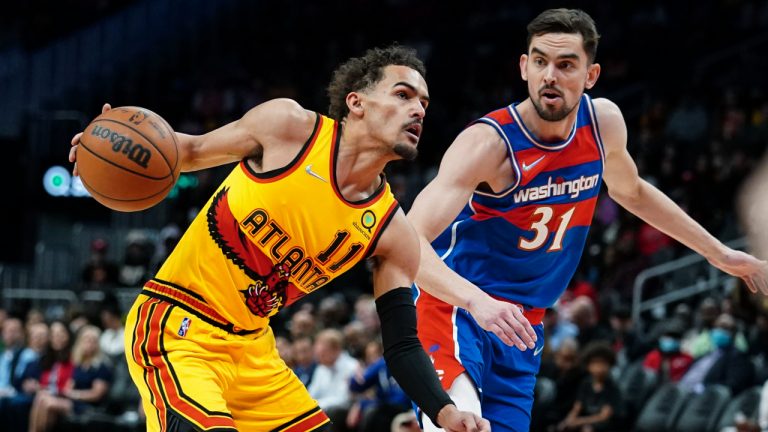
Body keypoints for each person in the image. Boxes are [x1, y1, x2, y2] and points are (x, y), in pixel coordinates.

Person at [69, 45, 489, 432]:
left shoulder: (390, 230)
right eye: (403, 95)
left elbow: (401, 344)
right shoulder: (289, 129)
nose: (418, 109)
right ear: (356, 102)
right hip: (178, 326)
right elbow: (191, 150)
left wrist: (445, 411)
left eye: (424, 103)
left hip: (254, 353)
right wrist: (108, 144)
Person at [405, 8, 768, 432]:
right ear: (524, 67)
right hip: (456, 309)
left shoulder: (602, 124)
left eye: (565, 65)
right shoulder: (488, 144)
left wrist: (720, 253)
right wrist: (475, 301)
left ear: (591, 75)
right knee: (460, 426)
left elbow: (631, 190)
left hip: (523, 328)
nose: (549, 76)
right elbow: (409, 241)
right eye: (539, 62)